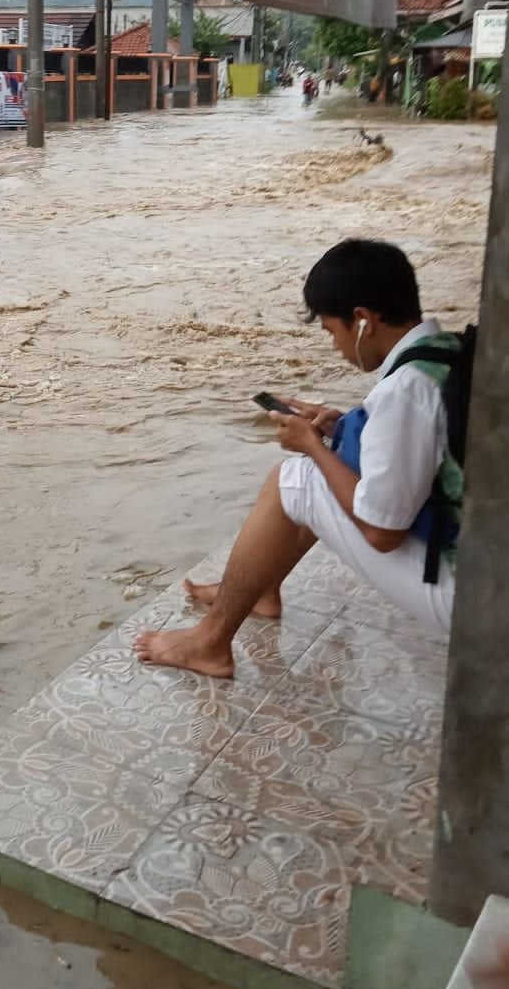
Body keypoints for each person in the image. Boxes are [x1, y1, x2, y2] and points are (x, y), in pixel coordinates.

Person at [135, 239, 459, 679]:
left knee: (295, 478)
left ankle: (209, 643)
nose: (335, 347)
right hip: (481, 557)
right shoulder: (446, 353)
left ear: (362, 321)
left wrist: (310, 446)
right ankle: (261, 588)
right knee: (318, 470)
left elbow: (382, 532)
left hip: (465, 591)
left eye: (331, 331)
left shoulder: (404, 390)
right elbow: (423, 447)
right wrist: (338, 427)